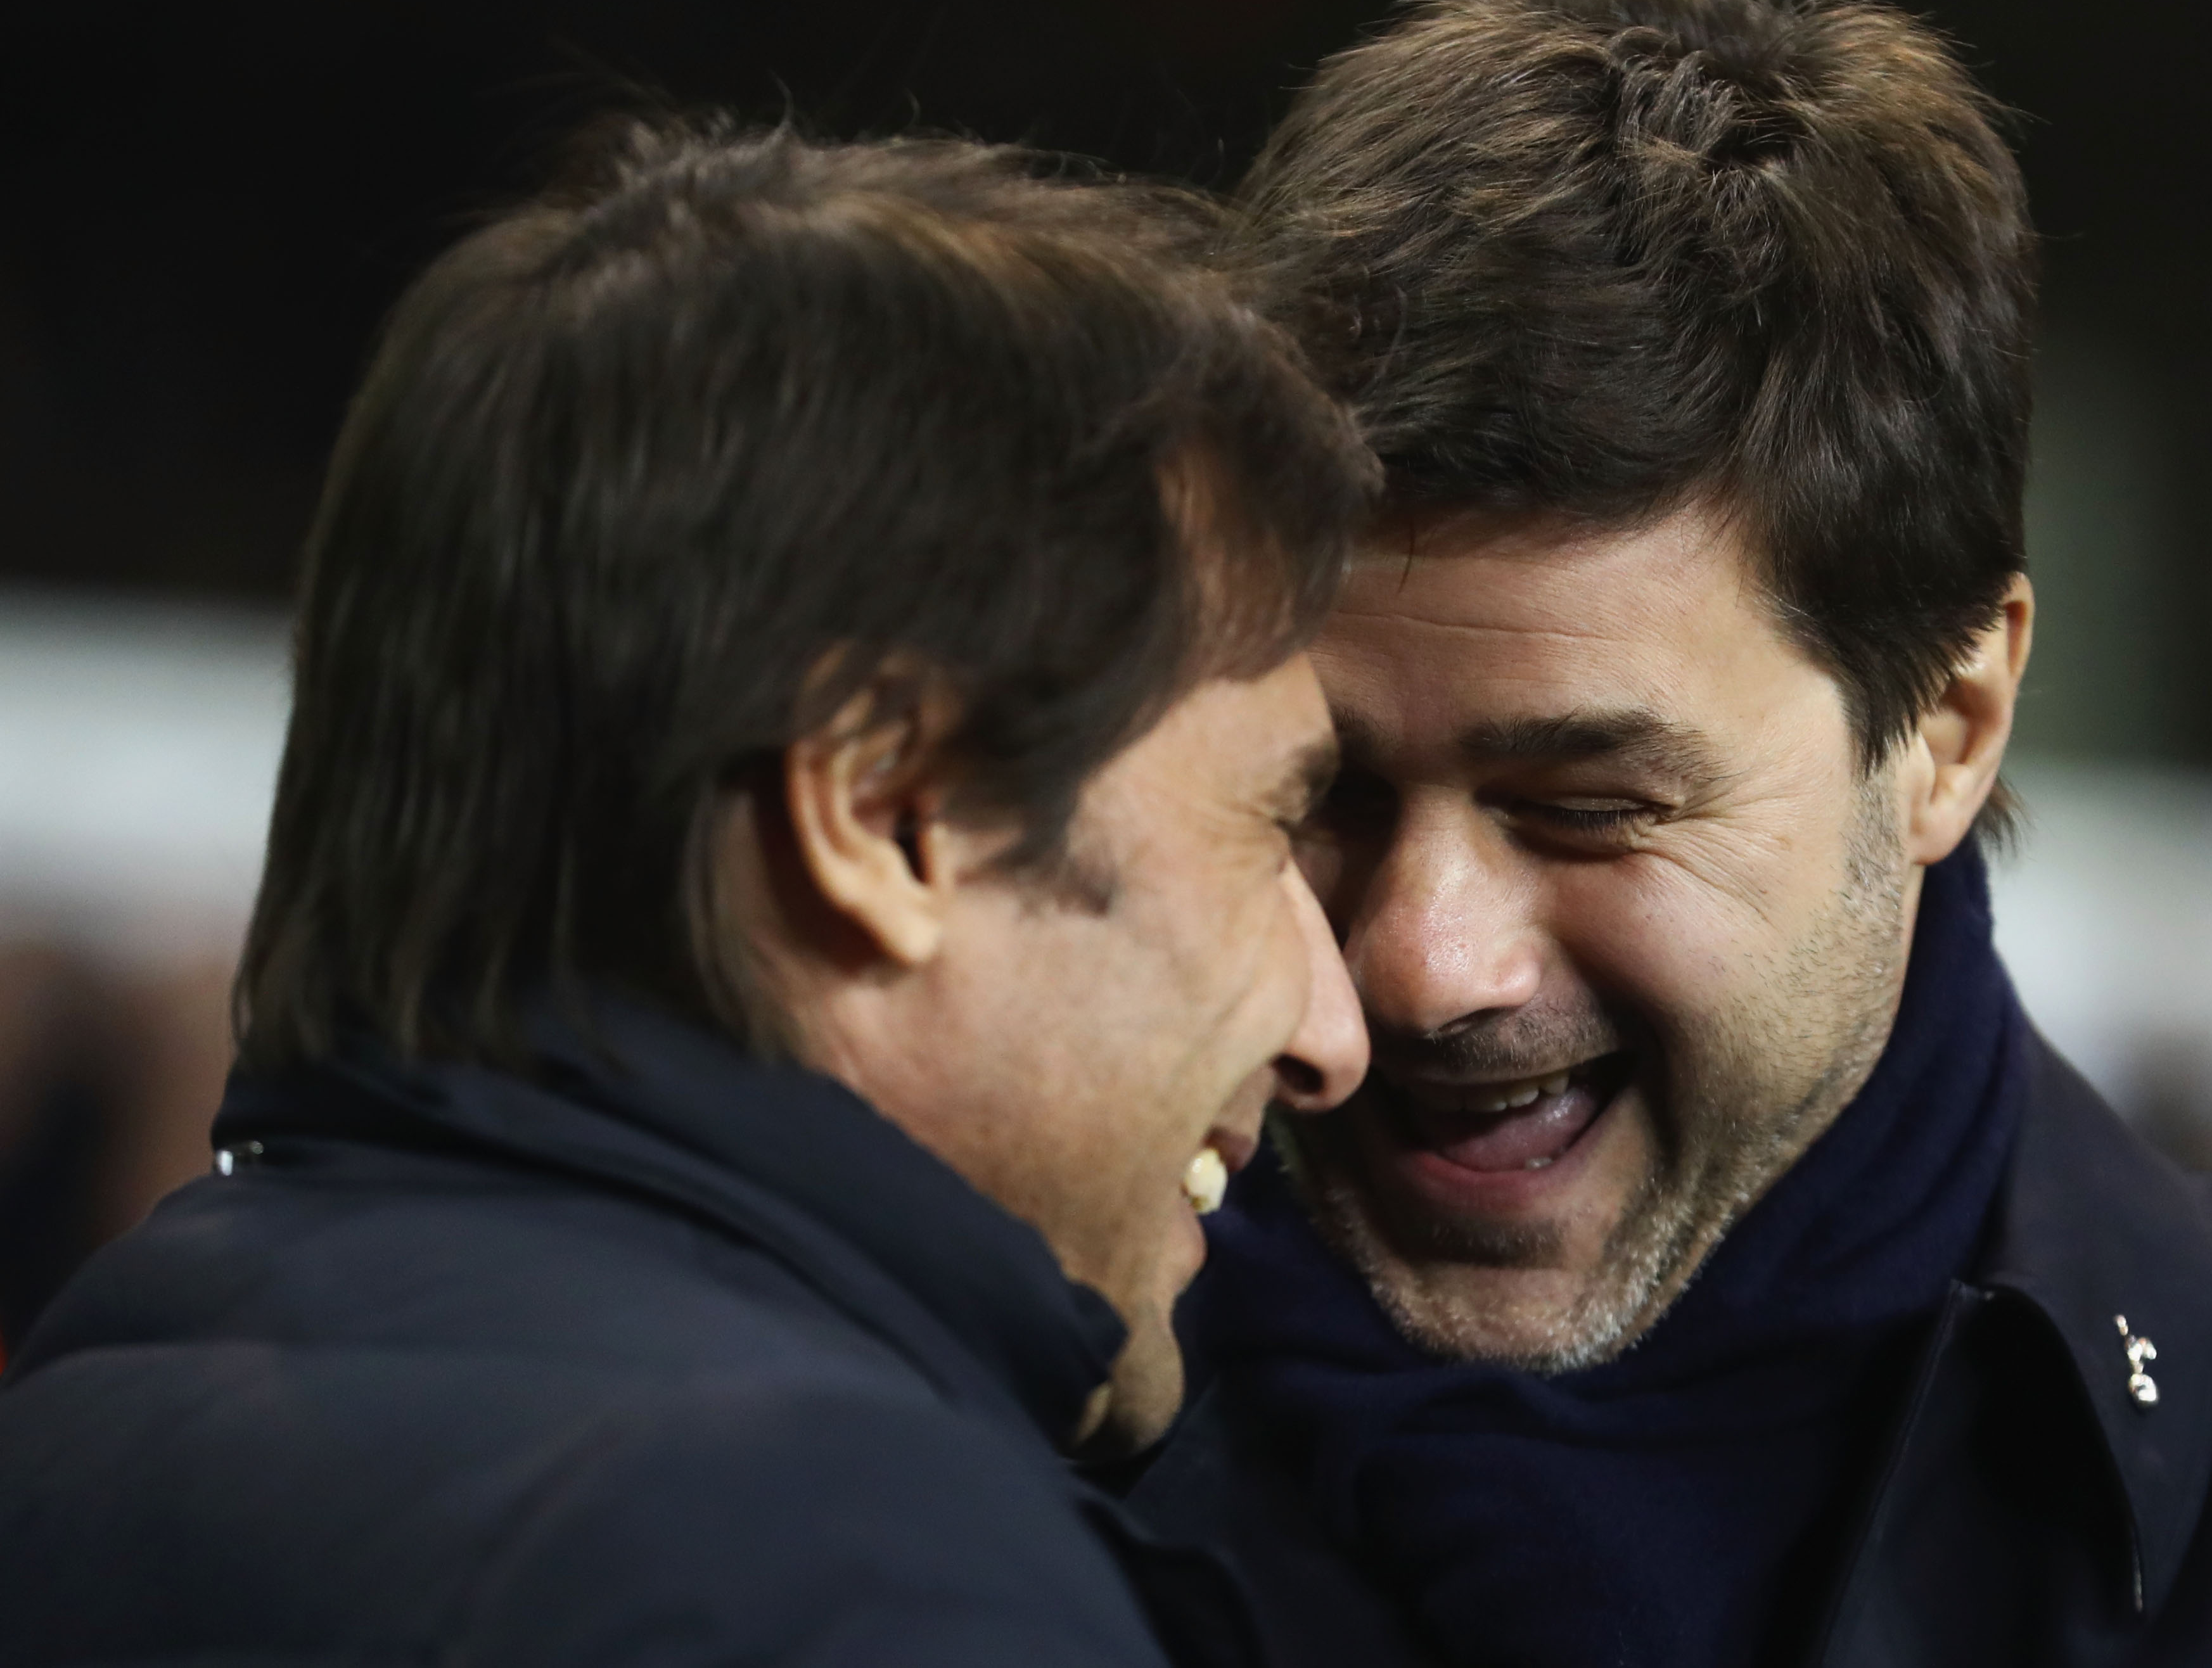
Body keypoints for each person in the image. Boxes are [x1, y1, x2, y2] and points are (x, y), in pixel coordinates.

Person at [1122, 0, 2212, 1668]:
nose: (1418, 958)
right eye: (1321, 788)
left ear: (1948, 722)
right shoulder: (967, 1455)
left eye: (1581, 804)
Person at [0, 120, 1376, 1667]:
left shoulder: (87, 1427)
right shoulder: (839, 1575)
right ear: (884, 818)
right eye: (1275, 823)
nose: (1334, 1027)